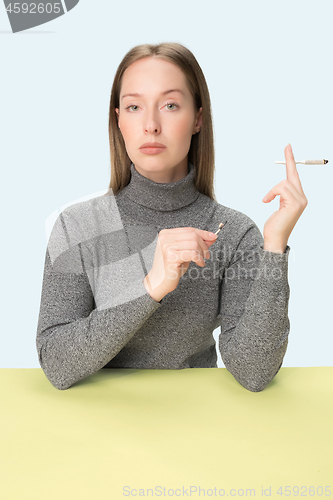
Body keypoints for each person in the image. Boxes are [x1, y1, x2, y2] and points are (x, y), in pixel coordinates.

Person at [36, 42, 307, 392]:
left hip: (196, 432)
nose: (150, 125)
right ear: (118, 119)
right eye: (134, 106)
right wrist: (152, 286)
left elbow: (254, 372)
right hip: (95, 434)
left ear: (197, 118)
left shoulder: (235, 233)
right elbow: (56, 363)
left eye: (170, 105)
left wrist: (274, 247)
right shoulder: (76, 227)